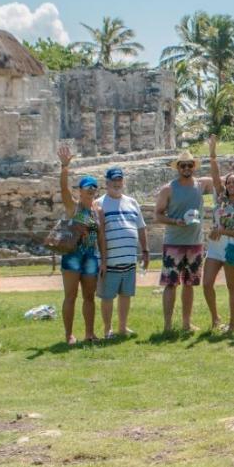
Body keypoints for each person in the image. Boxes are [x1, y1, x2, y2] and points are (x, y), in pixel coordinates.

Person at [155, 150, 214, 332]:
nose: (186, 168)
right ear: (178, 168)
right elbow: (158, 215)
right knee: (170, 284)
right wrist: (175, 221)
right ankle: (167, 326)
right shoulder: (168, 189)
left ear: (194, 167)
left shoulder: (201, 184)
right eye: (183, 165)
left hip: (195, 243)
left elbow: (224, 180)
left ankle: (187, 324)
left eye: (190, 165)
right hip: (174, 243)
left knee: (189, 285)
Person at [56, 145, 106, 344]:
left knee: (89, 297)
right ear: (80, 190)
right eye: (88, 187)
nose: (92, 190)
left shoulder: (97, 211)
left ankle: (89, 333)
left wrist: (104, 259)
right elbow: (63, 190)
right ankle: (68, 334)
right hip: (73, 256)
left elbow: (101, 236)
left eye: (94, 187)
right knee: (70, 296)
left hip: (90, 257)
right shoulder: (73, 207)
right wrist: (64, 167)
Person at [203, 135, 234, 333]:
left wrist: (221, 230)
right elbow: (215, 176)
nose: (231, 185)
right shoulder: (220, 199)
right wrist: (212, 153)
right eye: (229, 182)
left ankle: (232, 324)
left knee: (232, 286)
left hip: (232, 247)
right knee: (206, 284)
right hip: (215, 247)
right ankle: (215, 318)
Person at [95, 165, 149, 338]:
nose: (117, 183)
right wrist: (102, 259)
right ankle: (107, 329)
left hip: (129, 259)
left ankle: (122, 327)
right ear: (107, 183)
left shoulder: (132, 202)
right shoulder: (99, 204)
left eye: (119, 180)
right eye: (113, 180)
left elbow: (141, 228)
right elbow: (98, 234)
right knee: (108, 296)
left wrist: (145, 250)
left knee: (126, 295)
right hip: (109, 260)